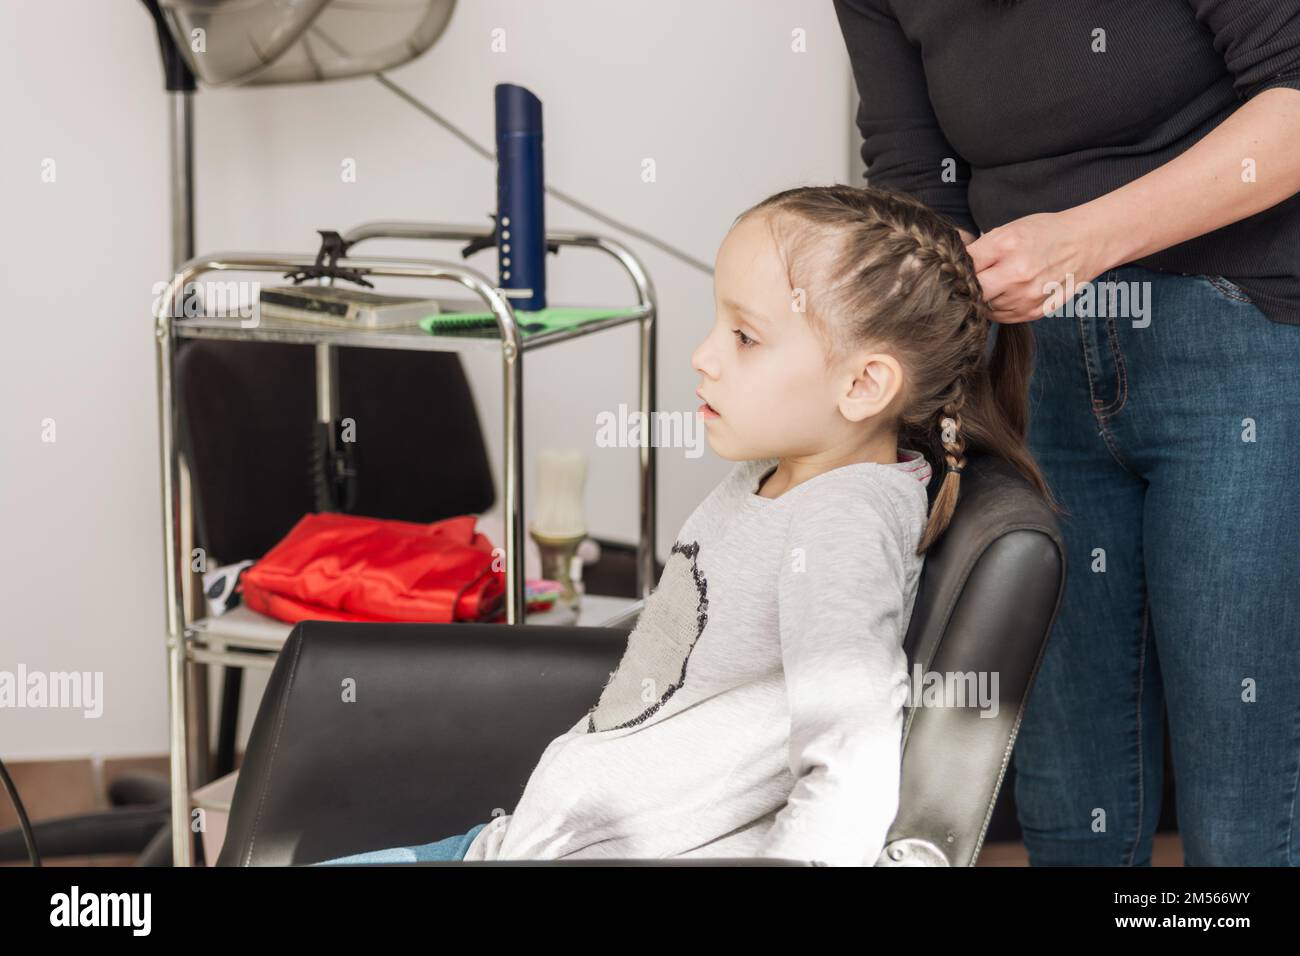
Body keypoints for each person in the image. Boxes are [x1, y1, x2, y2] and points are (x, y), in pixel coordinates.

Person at [310, 183, 1055, 866]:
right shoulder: (775, 475)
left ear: (863, 384)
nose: (703, 356)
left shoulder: (842, 521)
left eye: (745, 337)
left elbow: (851, 748)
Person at [834, 0, 1300, 865]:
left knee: (1245, 804)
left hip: (1242, 327)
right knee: (1066, 789)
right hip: (1023, 362)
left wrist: (1083, 241)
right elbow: (913, 169)